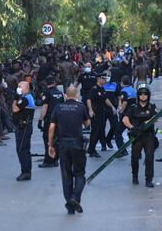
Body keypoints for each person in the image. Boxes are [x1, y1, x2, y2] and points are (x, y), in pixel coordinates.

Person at [48, 86, 90, 214]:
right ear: (76, 95)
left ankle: (70, 207)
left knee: (66, 175)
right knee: (79, 174)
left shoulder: (58, 107)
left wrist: (50, 145)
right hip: (77, 144)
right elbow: (87, 123)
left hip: (63, 145)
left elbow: (51, 127)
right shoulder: (81, 107)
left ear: (65, 95)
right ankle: (75, 197)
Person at [122, 84, 157, 187]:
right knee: (135, 157)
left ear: (148, 95)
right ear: (138, 96)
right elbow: (125, 119)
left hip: (149, 136)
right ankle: (135, 176)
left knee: (149, 157)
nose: (143, 96)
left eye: (145, 94)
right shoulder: (133, 107)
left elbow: (156, 118)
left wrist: (147, 123)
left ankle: (149, 180)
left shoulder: (152, 107)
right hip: (137, 136)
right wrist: (132, 127)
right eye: (141, 94)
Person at [87, 73, 117, 157]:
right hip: (96, 113)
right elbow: (89, 100)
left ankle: (91, 148)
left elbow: (105, 99)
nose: (105, 80)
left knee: (99, 131)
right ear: (99, 79)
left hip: (101, 112)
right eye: (103, 79)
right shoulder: (94, 89)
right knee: (95, 132)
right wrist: (90, 110)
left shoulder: (102, 89)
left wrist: (112, 107)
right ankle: (91, 150)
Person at [38, 76, 64, 168]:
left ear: (46, 83)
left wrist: (40, 120)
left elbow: (45, 107)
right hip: (59, 120)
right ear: (54, 82)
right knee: (56, 139)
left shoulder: (47, 92)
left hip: (49, 120)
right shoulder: (60, 93)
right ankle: (55, 159)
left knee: (47, 139)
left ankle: (48, 161)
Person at [12, 81, 35, 181]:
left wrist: (15, 99)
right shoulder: (25, 97)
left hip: (24, 127)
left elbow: (15, 109)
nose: (18, 88)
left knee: (22, 149)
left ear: (25, 88)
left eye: (19, 86)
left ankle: (26, 172)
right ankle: (26, 171)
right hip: (22, 126)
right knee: (23, 149)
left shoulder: (25, 98)